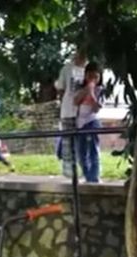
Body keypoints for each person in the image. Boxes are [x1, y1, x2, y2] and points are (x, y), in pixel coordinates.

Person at [55, 47, 87, 179]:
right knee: (68, 143)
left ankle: (85, 172)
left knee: (83, 143)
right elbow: (61, 89)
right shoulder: (67, 68)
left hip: (84, 113)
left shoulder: (88, 69)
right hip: (68, 111)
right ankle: (70, 174)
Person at [74, 62, 102, 183]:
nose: (93, 80)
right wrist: (87, 89)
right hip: (80, 123)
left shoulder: (100, 90)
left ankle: (94, 177)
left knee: (93, 150)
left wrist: (92, 94)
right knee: (81, 153)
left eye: (96, 77)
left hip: (92, 121)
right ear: (85, 76)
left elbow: (96, 108)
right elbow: (76, 101)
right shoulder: (80, 88)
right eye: (90, 76)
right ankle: (87, 175)